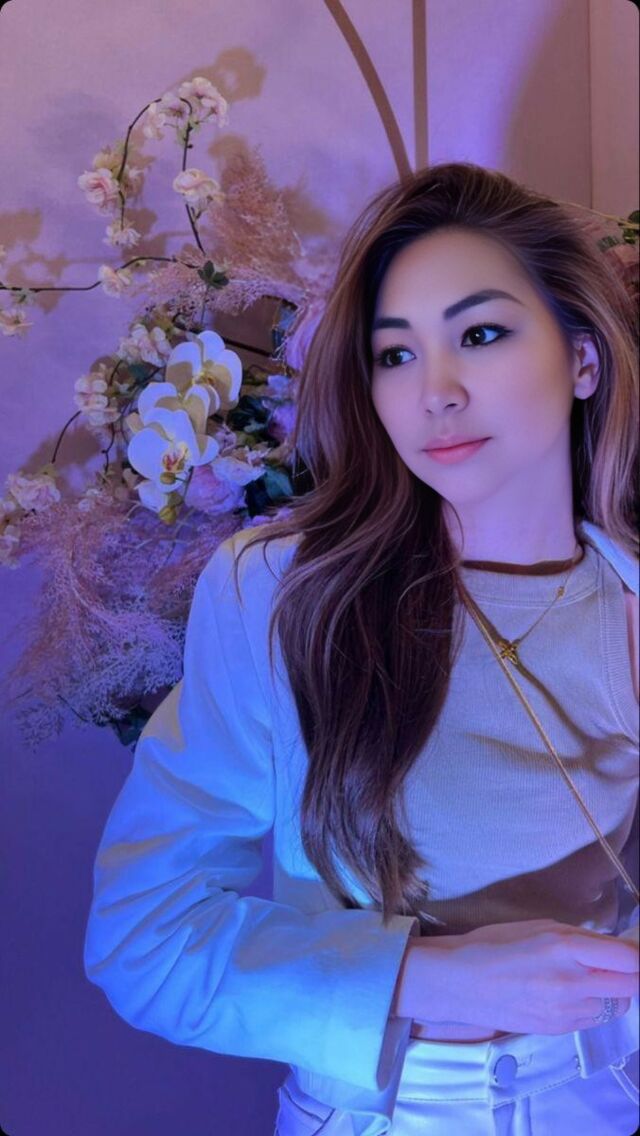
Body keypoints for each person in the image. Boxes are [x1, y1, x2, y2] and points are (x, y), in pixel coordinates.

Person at [84, 162, 640, 1136]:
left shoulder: (627, 602)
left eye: (480, 334)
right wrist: (434, 975)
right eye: (394, 353)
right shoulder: (283, 596)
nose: (436, 392)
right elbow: (145, 936)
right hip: (385, 1114)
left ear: (582, 358)